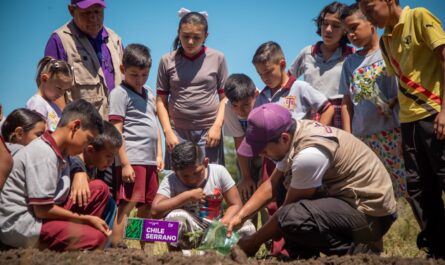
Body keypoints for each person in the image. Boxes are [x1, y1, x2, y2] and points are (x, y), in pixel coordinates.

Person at [227, 103, 397, 259]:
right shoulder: (296, 131)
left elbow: (284, 215)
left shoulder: (309, 155)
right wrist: (239, 217)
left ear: (284, 138)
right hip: (347, 201)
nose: (262, 155)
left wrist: (252, 242)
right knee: (282, 190)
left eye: (264, 151)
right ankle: (303, 258)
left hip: (371, 214)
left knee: (291, 217)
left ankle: (361, 254)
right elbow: (271, 185)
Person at [357, 0, 445, 258]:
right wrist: (391, 104)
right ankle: (438, 250)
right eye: (363, 11)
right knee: (418, 187)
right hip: (407, 122)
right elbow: (405, 79)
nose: (368, 15)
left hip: (433, 115)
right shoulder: (386, 40)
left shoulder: (419, 17)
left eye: (370, 7)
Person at [0, 99, 111, 251]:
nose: (87, 147)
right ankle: (76, 244)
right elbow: (42, 210)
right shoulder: (43, 153)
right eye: (88, 139)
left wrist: (79, 172)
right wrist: (86, 220)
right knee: (97, 238)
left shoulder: (62, 151)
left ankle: (74, 240)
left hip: (42, 214)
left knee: (99, 189)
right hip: (25, 224)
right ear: (75, 126)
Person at [339, 3, 406, 198]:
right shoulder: (350, 63)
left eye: (354, 28)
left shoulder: (389, 49)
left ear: (371, 23)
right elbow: (347, 102)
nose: (350, 35)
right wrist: (349, 137)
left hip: (394, 132)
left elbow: (403, 87)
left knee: (409, 188)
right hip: (364, 138)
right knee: (375, 192)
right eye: (346, 31)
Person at [156, 9, 228, 169]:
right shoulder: (166, 60)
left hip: (209, 133)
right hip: (177, 133)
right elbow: (160, 101)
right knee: (179, 180)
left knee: (210, 181)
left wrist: (217, 127)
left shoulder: (218, 58)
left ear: (206, 36)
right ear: (178, 33)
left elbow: (225, 98)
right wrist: (168, 132)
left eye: (196, 37)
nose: (190, 42)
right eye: (186, 36)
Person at [151, 141, 254, 251]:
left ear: (205, 163)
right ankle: (176, 258)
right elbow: (155, 211)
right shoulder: (170, 180)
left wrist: (222, 224)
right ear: (175, 171)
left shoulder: (219, 172)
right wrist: (187, 196)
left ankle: (224, 255)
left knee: (248, 228)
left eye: (197, 173)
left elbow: (236, 204)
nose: (192, 179)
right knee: (174, 217)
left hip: (217, 226)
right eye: (185, 176)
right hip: (190, 230)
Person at [109, 44, 163, 247]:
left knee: (148, 206)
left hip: (150, 161)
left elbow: (153, 124)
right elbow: (116, 130)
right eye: (134, 74)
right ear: (123, 70)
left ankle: (144, 250)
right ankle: (117, 248)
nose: (140, 79)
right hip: (132, 159)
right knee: (127, 203)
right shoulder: (119, 94)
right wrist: (124, 164)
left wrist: (159, 154)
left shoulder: (149, 93)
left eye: (144, 74)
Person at [44, 0, 123, 118]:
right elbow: (52, 92)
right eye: (87, 13)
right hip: (82, 129)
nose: (93, 18)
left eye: (97, 11)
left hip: (118, 129)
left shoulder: (114, 39)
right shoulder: (60, 41)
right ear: (71, 11)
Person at [288, 1, 354, 128]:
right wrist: (288, 109)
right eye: (325, 24)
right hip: (312, 113)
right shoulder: (307, 53)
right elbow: (287, 82)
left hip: (341, 116)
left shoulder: (351, 56)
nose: (328, 30)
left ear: (345, 30)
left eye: (335, 26)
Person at [69, 121, 122, 228]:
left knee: (111, 203)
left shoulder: (93, 165)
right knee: (100, 187)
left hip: (82, 214)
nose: (111, 162)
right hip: (69, 217)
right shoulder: (74, 164)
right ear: (90, 150)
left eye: (114, 157)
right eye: (108, 156)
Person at [223, 74, 261, 202]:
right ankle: (248, 220)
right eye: (235, 106)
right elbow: (239, 142)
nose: (240, 111)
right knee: (246, 190)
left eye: (245, 105)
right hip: (246, 152)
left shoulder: (264, 100)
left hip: (268, 152)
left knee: (264, 189)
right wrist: (246, 176)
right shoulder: (228, 108)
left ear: (255, 95)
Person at [26, 56, 73, 132]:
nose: (62, 93)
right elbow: (37, 134)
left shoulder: (53, 106)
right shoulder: (37, 103)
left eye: (65, 90)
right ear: (44, 79)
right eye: (59, 88)